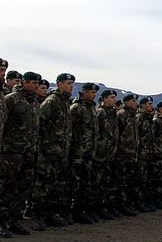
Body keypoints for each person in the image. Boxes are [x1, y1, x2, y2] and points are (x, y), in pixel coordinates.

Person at [31, 73, 75, 231]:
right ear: (60, 84)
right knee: (43, 184)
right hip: (48, 152)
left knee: (57, 185)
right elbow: (39, 124)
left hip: (61, 153)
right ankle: (37, 215)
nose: (71, 86)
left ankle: (51, 213)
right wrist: (43, 145)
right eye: (68, 83)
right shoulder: (52, 101)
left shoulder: (65, 102)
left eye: (72, 83)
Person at [0, 72, 40, 238]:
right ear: (24, 82)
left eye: (37, 83)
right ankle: (1, 221)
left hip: (28, 151)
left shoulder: (35, 102)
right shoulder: (12, 99)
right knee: (6, 186)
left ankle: (13, 218)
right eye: (33, 83)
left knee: (23, 187)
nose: (36, 86)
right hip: (11, 152)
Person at [66, 82, 101, 225]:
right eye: (92, 93)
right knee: (73, 183)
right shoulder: (77, 108)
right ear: (84, 92)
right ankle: (67, 212)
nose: (94, 95)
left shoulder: (91, 109)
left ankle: (79, 211)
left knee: (85, 184)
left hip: (88, 153)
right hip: (77, 153)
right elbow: (69, 129)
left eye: (95, 93)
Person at [93, 90, 121, 218]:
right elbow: (96, 134)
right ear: (104, 99)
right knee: (96, 183)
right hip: (100, 154)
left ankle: (103, 207)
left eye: (114, 97)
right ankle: (95, 208)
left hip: (109, 153)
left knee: (106, 182)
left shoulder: (112, 113)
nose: (114, 100)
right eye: (111, 98)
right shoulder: (101, 113)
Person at [113, 94, 139, 216]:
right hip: (122, 154)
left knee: (128, 181)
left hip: (131, 154)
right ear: (127, 102)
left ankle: (125, 204)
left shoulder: (133, 116)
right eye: (133, 101)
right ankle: (118, 206)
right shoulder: (122, 115)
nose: (135, 103)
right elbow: (117, 135)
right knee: (119, 182)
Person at [135, 96, 156, 212]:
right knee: (140, 180)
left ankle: (144, 201)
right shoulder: (139, 118)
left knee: (146, 179)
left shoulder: (149, 119)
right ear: (142, 105)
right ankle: (138, 202)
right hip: (140, 153)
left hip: (148, 153)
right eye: (149, 104)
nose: (151, 106)